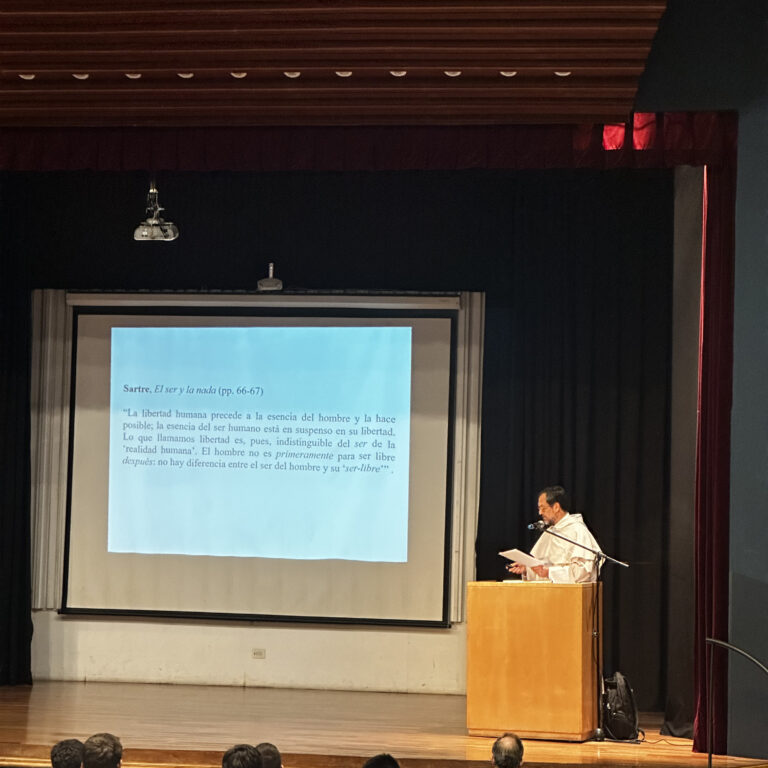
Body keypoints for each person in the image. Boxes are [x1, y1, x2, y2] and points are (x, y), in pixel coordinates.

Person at [507, 485, 601, 583]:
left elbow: (583, 573)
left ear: (556, 507)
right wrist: (528, 568)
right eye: (539, 509)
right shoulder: (549, 532)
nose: (540, 513)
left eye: (543, 508)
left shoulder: (577, 530)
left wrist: (550, 572)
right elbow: (542, 568)